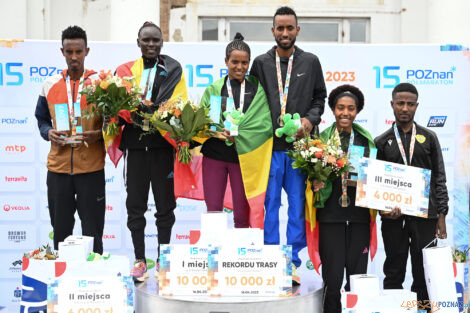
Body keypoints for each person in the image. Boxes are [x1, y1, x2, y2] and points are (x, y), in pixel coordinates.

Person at [250, 6, 327, 285]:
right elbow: (251, 102)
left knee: (297, 206)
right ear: (272, 31)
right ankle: (271, 258)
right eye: (279, 28)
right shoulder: (260, 63)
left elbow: (320, 98)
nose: (285, 33)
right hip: (269, 149)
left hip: (298, 151)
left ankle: (292, 262)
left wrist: (309, 120)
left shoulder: (310, 61)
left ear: (298, 30)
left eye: (289, 28)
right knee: (269, 204)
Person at [115, 22, 188, 282]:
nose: (151, 44)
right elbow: (118, 109)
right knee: (135, 207)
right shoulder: (125, 72)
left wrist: (157, 112)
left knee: (165, 208)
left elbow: (179, 105)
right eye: (146, 40)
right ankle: (139, 260)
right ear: (138, 42)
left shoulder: (173, 69)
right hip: (135, 149)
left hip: (161, 148)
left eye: (156, 40)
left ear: (162, 42)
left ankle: (163, 260)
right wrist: (129, 113)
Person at [374, 82, 448, 309]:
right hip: (393, 219)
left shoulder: (429, 137)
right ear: (392, 105)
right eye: (400, 103)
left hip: (425, 217)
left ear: (417, 106)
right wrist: (383, 210)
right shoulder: (381, 141)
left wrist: (441, 215)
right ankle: (393, 309)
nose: (405, 108)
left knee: (424, 271)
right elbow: (376, 183)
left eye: (410, 104)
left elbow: (439, 177)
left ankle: (424, 309)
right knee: (394, 270)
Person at [35, 26, 106, 253]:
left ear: (87, 51)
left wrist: (99, 135)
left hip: (91, 169)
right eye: (69, 52)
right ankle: (63, 281)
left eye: (78, 51)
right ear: (62, 52)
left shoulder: (101, 85)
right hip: (58, 170)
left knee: (93, 233)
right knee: (61, 232)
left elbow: (113, 124)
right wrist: (48, 133)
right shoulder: (50, 85)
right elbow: (41, 120)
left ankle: (94, 282)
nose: (74, 57)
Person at [312, 85, 376, 313]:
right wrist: (315, 183)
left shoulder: (366, 141)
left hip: (359, 219)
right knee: (333, 279)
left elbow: (375, 179)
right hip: (330, 218)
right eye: (340, 108)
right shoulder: (320, 141)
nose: (345, 113)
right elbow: (309, 179)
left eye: (351, 108)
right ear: (332, 109)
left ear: (357, 111)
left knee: (357, 280)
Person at [199, 33, 272, 228]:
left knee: (242, 213)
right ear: (226, 61)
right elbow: (205, 122)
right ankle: (215, 254)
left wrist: (242, 133)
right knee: (213, 210)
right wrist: (217, 130)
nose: (240, 67)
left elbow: (264, 125)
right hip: (215, 155)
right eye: (235, 62)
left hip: (244, 158)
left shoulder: (257, 89)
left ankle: (241, 256)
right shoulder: (214, 89)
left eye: (245, 63)